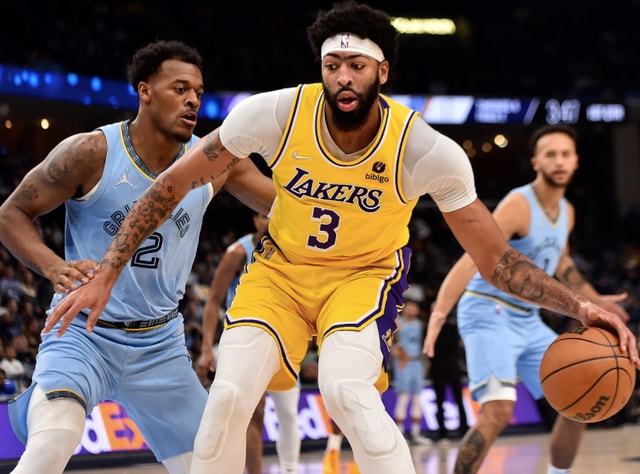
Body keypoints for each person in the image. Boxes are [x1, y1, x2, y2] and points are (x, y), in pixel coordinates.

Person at [47, 3, 638, 474]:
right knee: (226, 398)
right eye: (333, 65)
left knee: (347, 392)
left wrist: (578, 307)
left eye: (357, 65)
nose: (343, 77)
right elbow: (170, 186)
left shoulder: (425, 150)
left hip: (363, 278)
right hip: (279, 274)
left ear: (383, 72)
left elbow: (496, 260)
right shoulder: (274, 114)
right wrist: (107, 272)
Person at [0, 40, 275, 474]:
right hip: (84, 333)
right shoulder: (91, 152)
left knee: (216, 465)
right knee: (54, 440)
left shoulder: (216, 161)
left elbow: (285, 207)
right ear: (145, 91)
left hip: (160, 344)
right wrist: (54, 267)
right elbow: (11, 213)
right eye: (180, 89)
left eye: (198, 92)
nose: (192, 100)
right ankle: (46, 403)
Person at [423, 125, 632, 474]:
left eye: (565, 154)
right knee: (498, 411)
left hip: (528, 317)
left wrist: (597, 300)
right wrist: (440, 311)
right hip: (488, 310)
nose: (559, 161)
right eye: (551, 154)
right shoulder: (518, 204)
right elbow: (473, 257)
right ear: (536, 161)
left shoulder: (566, 211)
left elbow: (562, 262)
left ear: (576, 161)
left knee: (577, 398)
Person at [196, 212, 301, 474]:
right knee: (251, 412)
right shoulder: (237, 252)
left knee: (288, 414)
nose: (268, 220)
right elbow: (213, 300)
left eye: (272, 215)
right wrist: (207, 347)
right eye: (263, 216)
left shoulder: (295, 244)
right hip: (247, 336)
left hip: (286, 337)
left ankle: (289, 469)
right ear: (254, 219)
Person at [391, 299, 431, 445]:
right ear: (405, 308)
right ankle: (400, 434)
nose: (413, 310)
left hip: (417, 362)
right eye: (410, 307)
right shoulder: (397, 323)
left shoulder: (419, 324)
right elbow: (392, 343)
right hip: (404, 362)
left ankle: (416, 433)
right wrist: (397, 355)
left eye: (415, 308)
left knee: (417, 398)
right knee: (403, 397)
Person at [427, 310, 468, 442]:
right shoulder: (430, 329)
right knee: (442, 401)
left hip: (449, 367)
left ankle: (462, 431)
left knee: (457, 400)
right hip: (441, 368)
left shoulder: (450, 328)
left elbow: (430, 349)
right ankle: (444, 433)